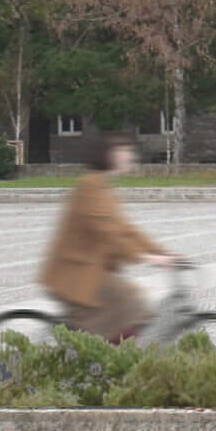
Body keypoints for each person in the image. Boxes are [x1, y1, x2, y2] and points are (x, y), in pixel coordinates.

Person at [39, 133, 178, 341]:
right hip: (76, 271)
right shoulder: (89, 185)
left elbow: (127, 230)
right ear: (107, 156)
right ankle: (105, 360)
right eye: (123, 151)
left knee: (129, 305)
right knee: (130, 300)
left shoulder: (103, 187)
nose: (129, 156)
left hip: (92, 269)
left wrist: (164, 254)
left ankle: (108, 354)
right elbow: (107, 231)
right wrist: (146, 258)